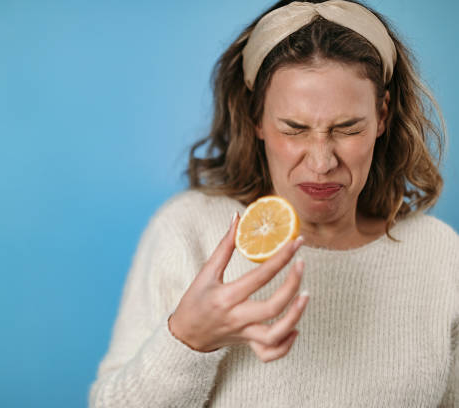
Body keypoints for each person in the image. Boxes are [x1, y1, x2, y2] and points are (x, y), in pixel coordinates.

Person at [89, 1, 458, 406]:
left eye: (348, 128)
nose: (321, 162)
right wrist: (189, 339)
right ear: (257, 118)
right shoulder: (188, 231)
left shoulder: (440, 256)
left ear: (382, 115)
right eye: (294, 129)